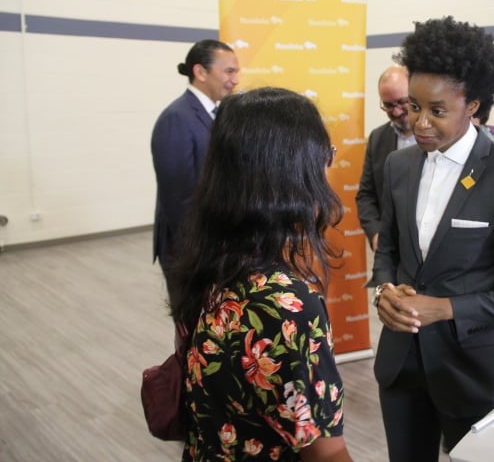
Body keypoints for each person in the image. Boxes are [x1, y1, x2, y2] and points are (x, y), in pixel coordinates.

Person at [370, 16, 494, 461]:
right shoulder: (398, 167)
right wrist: (383, 290)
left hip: (474, 370)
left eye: (437, 110)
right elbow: (389, 249)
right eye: (414, 107)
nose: (420, 122)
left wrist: (449, 308)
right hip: (402, 366)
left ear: (472, 105)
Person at [169, 87, 352, 462]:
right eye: (325, 156)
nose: (328, 168)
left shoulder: (214, 267)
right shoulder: (287, 307)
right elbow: (326, 454)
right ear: (292, 173)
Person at [151, 39, 240, 299]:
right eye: (229, 71)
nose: (235, 79)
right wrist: (200, 253)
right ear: (200, 72)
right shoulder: (177, 118)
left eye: (236, 72)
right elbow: (179, 199)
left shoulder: (218, 113)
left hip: (215, 245)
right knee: (193, 326)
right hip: (192, 249)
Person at [356, 65, 416, 252]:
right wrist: (375, 234)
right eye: (388, 105)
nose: (397, 111)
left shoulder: (437, 136)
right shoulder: (377, 138)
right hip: (388, 249)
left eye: (401, 102)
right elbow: (366, 195)